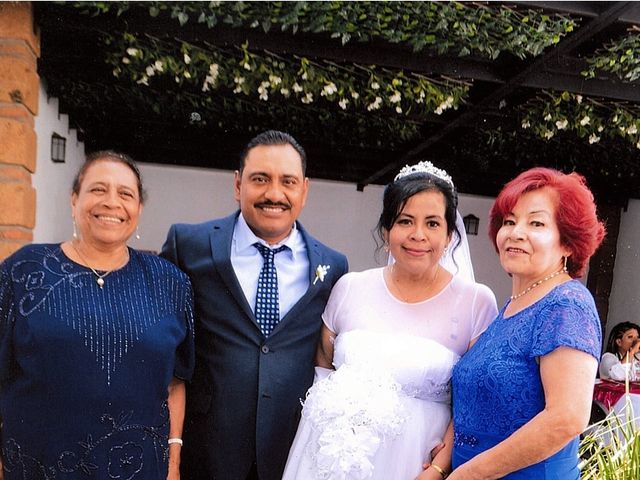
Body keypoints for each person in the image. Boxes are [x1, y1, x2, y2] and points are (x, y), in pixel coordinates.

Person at [282, 161, 498, 480]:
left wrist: (440, 467)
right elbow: (323, 368)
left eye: (433, 224)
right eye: (405, 221)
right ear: (387, 229)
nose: (418, 235)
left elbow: (477, 400)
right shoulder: (349, 288)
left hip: (414, 464)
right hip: (331, 459)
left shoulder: (476, 302)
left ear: (451, 233)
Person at [160, 130, 348, 480]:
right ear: (237, 184)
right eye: (260, 179)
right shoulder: (189, 245)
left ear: (304, 190)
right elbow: (159, 341)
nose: (274, 194)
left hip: (290, 452)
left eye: (287, 181)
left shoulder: (334, 267)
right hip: (205, 450)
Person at [0, 151, 194, 480]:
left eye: (125, 194)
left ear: (139, 209)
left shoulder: (170, 283)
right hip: (36, 466)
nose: (111, 202)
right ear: (74, 200)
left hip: (139, 469)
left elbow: (175, 381)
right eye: (97, 189)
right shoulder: (24, 271)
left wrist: (173, 463)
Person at [450, 167, 606, 479]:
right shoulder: (509, 308)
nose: (516, 232)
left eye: (536, 222)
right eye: (509, 221)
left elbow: (567, 417)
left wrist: (470, 474)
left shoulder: (567, 304)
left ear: (567, 242)